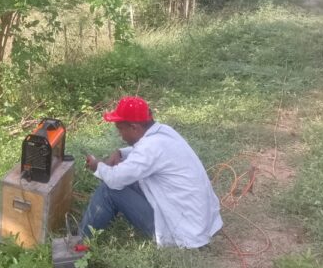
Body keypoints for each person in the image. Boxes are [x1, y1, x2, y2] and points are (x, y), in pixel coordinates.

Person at [79, 96, 222, 248]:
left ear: (134, 127)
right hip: (198, 222)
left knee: (109, 190)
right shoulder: (164, 132)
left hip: (181, 232)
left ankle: (80, 243)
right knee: (127, 180)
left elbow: (115, 179)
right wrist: (120, 152)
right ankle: (89, 230)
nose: (119, 135)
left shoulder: (150, 147)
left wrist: (97, 166)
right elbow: (144, 155)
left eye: (120, 129)